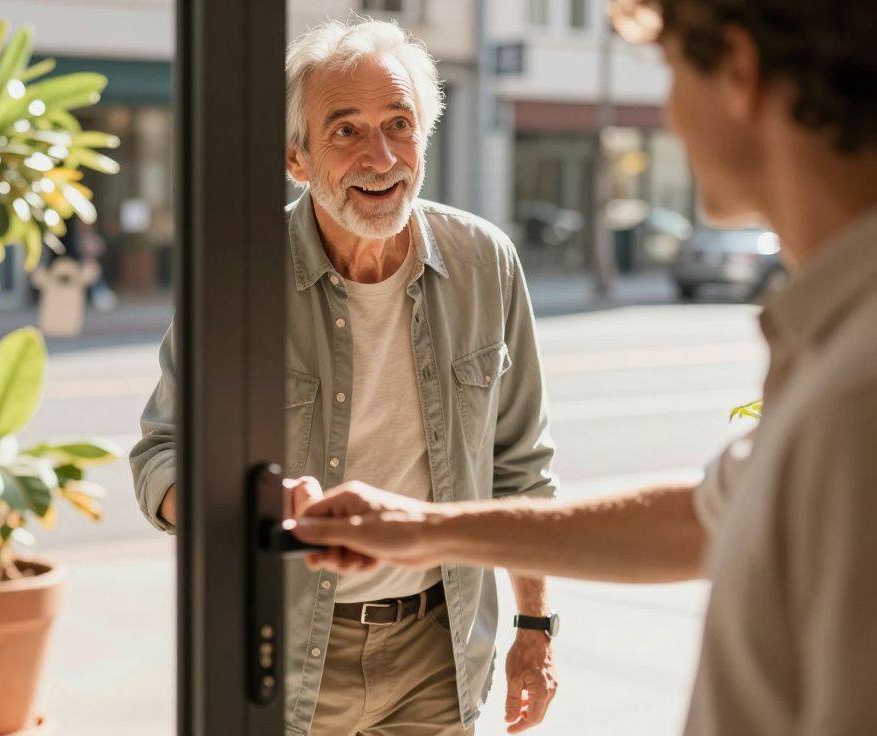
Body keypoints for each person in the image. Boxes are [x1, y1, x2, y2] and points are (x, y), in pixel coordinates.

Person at [291, 2, 877, 734]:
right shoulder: (835, 349)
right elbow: (702, 520)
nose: (667, 111)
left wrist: (519, 613)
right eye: (347, 129)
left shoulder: (854, 394)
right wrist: (424, 528)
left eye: (667, 70)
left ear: (738, 71)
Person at [131, 18, 562, 735]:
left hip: (442, 646)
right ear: (296, 159)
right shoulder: (241, 272)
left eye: (400, 124)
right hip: (290, 646)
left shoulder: (488, 262)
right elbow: (160, 455)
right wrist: (240, 505)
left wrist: (536, 627)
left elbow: (522, 468)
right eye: (346, 131)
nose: (381, 156)